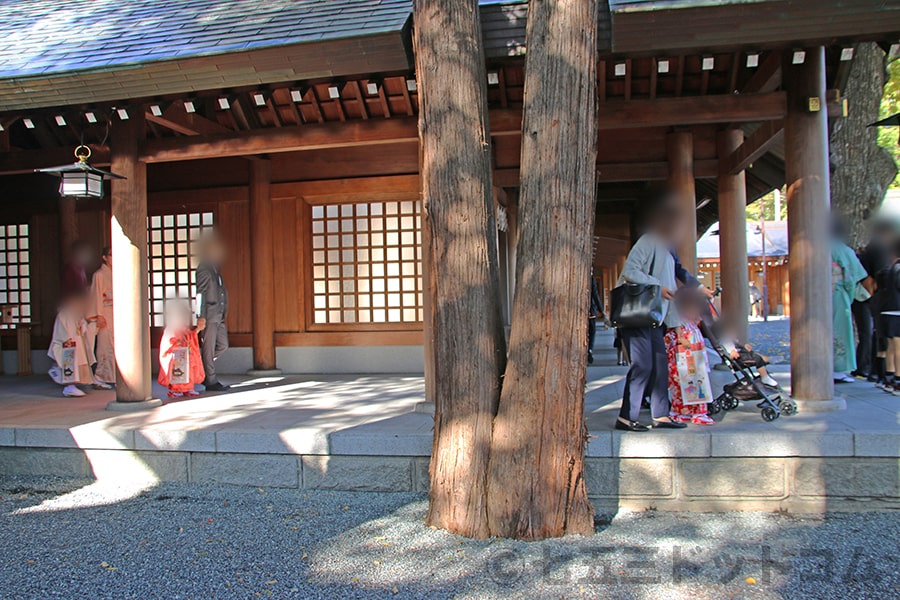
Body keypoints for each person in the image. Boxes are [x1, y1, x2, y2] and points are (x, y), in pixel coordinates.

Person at [615, 191, 688, 432]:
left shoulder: (668, 250)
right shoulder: (649, 241)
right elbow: (630, 271)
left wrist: (675, 324)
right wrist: (659, 287)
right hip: (638, 314)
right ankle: (627, 417)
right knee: (643, 365)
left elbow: (671, 290)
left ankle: (661, 415)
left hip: (655, 318)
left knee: (659, 365)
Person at [665, 288, 715, 425]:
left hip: (694, 358)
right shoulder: (678, 323)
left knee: (695, 385)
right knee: (685, 387)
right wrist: (680, 336)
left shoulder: (690, 323)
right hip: (685, 358)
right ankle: (686, 413)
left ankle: (692, 413)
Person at [831, 223, 868, 383]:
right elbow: (852, 277)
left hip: (816, 295)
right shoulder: (843, 250)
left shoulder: (814, 248)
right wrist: (850, 293)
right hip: (837, 294)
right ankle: (838, 369)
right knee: (840, 330)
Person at [195, 231, 230, 391]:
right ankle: (210, 379)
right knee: (208, 348)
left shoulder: (215, 268)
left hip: (219, 314)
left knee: (223, 345)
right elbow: (200, 294)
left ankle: (202, 366)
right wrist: (200, 316)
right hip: (209, 314)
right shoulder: (204, 268)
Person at [48, 291, 97, 397]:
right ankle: (68, 386)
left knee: (78, 363)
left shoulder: (76, 313)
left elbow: (81, 325)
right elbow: (61, 329)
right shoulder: (64, 313)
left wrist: (83, 324)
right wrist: (66, 339)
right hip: (68, 342)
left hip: (77, 341)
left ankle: (72, 386)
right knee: (69, 363)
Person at [158, 299, 206, 399]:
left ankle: (189, 388)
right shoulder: (171, 328)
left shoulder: (185, 329)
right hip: (177, 356)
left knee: (189, 370)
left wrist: (197, 330)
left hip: (187, 354)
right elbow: (168, 341)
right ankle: (175, 389)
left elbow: (191, 336)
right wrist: (176, 344)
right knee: (177, 371)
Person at [89, 247, 114, 387]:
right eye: (111, 255)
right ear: (104, 257)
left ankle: (113, 377)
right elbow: (96, 295)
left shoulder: (115, 273)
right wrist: (98, 314)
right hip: (105, 312)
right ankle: (100, 376)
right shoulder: (99, 274)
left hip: (115, 312)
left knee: (115, 345)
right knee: (105, 345)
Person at [587, 274, 603, 365]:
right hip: (590, 310)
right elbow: (595, 295)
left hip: (578, 310)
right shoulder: (591, 279)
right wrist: (601, 310)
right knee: (592, 332)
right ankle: (589, 349)